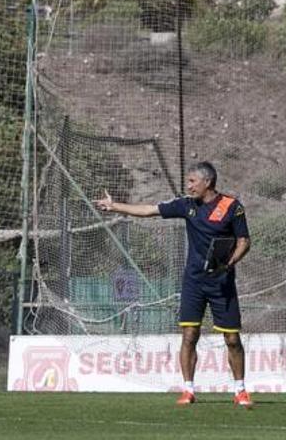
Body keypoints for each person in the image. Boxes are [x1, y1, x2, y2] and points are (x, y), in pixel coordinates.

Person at [95, 161, 253, 407]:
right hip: (193, 283)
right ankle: (188, 390)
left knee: (232, 339)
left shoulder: (231, 206)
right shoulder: (186, 206)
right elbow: (149, 210)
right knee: (189, 335)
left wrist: (230, 262)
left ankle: (240, 390)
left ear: (207, 182)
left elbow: (244, 241)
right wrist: (114, 206)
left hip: (222, 283)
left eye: (192, 181)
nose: (188, 186)